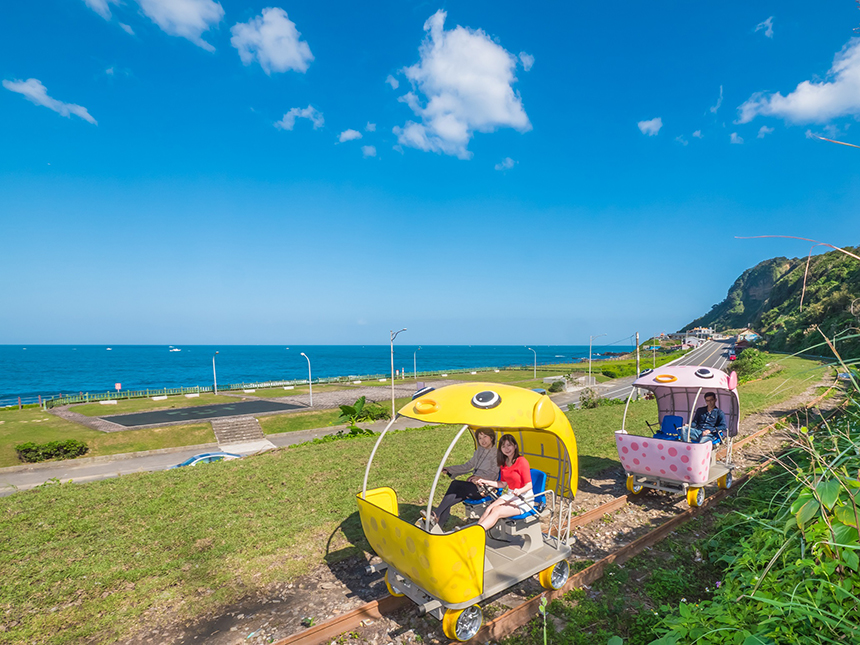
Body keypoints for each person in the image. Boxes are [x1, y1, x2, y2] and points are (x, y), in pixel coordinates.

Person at [426, 428, 498, 527]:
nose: (482, 440)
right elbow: (467, 466)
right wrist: (450, 469)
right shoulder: (479, 451)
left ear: (492, 437)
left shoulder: (497, 454)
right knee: (450, 497)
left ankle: (436, 516)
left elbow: (493, 474)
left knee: (455, 486)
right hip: (473, 485)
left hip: (484, 487)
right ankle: (438, 523)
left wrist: (478, 478)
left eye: (485, 436)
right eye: (480, 438)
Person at [473, 434, 533, 531]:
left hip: (524, 498)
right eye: (503, 446)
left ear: (515, 446)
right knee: (489, 509)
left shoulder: (522, 461)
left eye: (509, 445)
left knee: (497, 510)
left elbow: (529, 485)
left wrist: (519, 491)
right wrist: (485, 481)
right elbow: (502, 484)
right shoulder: (504, 463)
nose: (506, 448)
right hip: (511, 494)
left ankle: (477, 533)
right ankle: (474, 532)